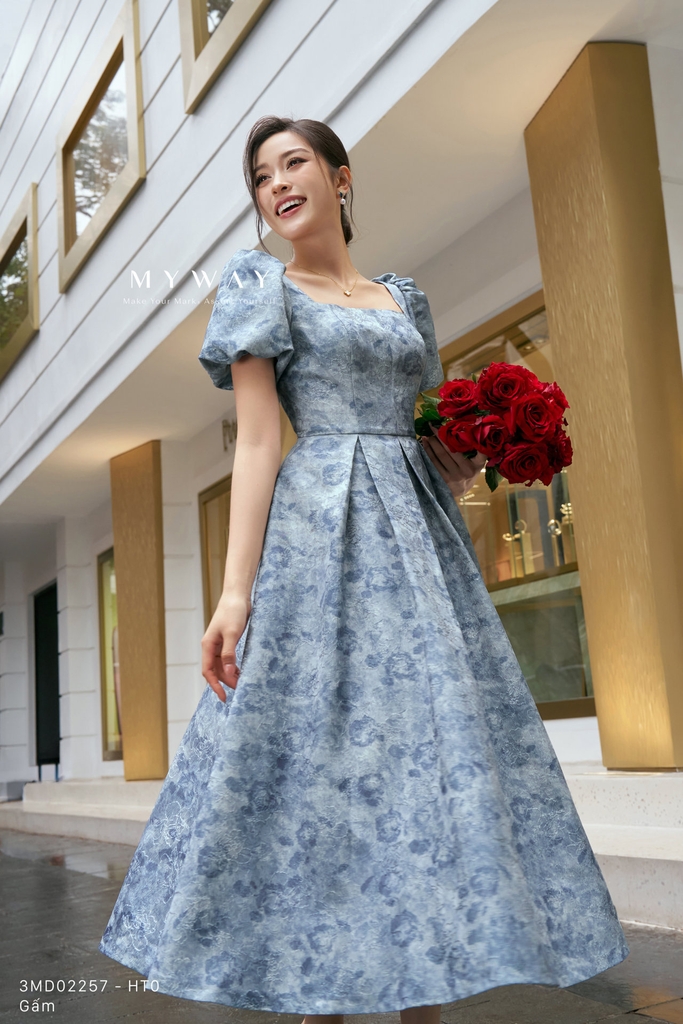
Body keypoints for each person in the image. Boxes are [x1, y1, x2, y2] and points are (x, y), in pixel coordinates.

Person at [99, 116, 629, 1019]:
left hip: (419, 537)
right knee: (315, 749)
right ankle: (319, 996)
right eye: (261, 176)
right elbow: (258, 442)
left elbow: (422, 428)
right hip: (318, 530)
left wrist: (472, 449)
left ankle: (428, 984)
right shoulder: (259, 286)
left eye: (293, 163)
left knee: (429, 750)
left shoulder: (403, 299)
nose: (276, 184)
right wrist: (233, 596)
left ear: (340, 178)